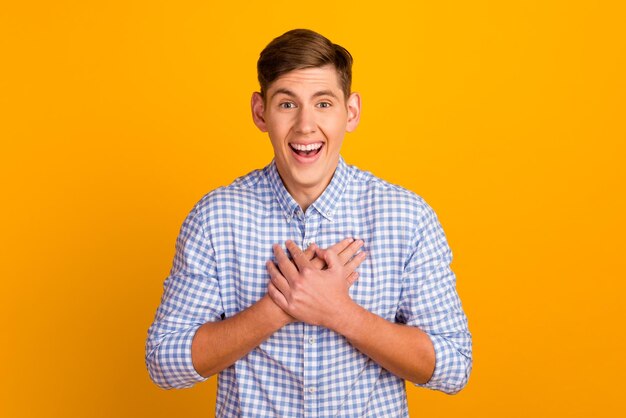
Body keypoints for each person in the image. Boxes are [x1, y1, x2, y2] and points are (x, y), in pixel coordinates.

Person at [146, 28, 472, 417]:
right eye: (287, 104)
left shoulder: (406, 217)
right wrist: (278, 308)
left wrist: (339, 311)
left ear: (350, 112)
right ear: (260, 112)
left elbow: (453, 366)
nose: (304, 125)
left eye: (323, 103)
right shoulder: (216, 218)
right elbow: (165, 362)